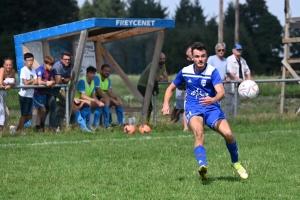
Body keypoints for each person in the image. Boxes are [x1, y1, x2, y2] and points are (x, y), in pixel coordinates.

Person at [161, 42, 248, 180]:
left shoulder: (212, 72)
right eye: (197, 56)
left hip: (212, 107)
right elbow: (170, 88)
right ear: (192, 58)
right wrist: (166, 103)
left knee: (229, 134)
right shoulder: (185, 71)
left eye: (203, 56)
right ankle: (203, 166)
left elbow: (221, 92)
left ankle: (235, 163)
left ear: (206, 56)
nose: (200, 59)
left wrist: (213, 100)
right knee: (199, 133)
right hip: (193, 107)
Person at [52, 52, 91, 132]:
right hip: (57, 98)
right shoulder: (57, 67)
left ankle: (83, 126)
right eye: (65, 59)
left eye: (69, 60)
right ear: (61, 60)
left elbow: (66, 79)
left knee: (84, 106)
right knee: (74, 108)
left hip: (68, 99)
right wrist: (64, 80)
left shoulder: (69, 68)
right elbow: (59, 82)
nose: (67, 61)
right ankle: (83, 128)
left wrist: (63, 80)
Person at [10, 53, 37, 135]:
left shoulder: (33, 70)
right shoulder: (23, 70)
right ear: (25, 61)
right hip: (24, 95)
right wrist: (32, 81)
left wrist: (30, 82)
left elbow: (37, 81)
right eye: (28, 60)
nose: (30, 62)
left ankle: (15, 128)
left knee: (29, 116)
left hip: (30, 95)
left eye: (31, 60)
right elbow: (25, 82)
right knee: (24, 114)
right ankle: (21, 131)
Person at [137, 52, 168, 122]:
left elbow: (166, 78)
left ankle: (145, 122)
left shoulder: (163, 66)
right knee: (148, 106)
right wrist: (160, 79)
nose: (162, 60)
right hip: (143, 86)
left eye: (163, 59)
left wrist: (159, 79)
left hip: (149, 86)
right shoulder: (153, 65)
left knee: (149, 107)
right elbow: (156, 78)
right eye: (160, 59)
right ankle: (144, 122)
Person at [170, 46, 193, 131]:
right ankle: (172, 120)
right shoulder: (184, 63)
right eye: (190, 51)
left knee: (184, 107)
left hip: (190, 89)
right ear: (187, 53)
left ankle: (185, 125)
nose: (192, 53)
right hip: (182, 88)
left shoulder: (196, 63)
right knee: (179, 107)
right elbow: (181, 76)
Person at [225, 44, 251, 118]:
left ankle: (234, 119)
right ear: (233, 51)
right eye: (237, 50)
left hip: (240, 87)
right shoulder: (229, 59)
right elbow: (229, 71)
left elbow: (247, 71)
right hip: (231, 87)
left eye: (240, 50)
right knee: (229, 104)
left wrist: (249, 81)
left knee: (236, 104)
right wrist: (237, 78)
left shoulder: (243, 60)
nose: (239, 51)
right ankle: (227, 119)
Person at [33, 56, 55, 132]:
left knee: (39, 111)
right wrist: (47, 83)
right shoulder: (40, 69)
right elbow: (39, 81)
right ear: (45, 64)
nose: (51, 67)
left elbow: (53, 80)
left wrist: (51, 82)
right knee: (43, 110)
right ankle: (42, 124)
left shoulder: (51, 71)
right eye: (49, 65)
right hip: (37, 93)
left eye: (52, 65)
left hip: (44, 93)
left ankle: (38, 127)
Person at [0, 58, 16, 135]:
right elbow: (0, 84)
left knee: (6, 113)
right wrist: (5, 84)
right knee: (2, 112)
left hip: (2, 95)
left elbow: (14, 82)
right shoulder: (2, 70)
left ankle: (2, 132)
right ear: (4, 65)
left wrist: (10, 85)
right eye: (7, 65)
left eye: (10, 65)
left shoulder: (12, 72)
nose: (8, 66)